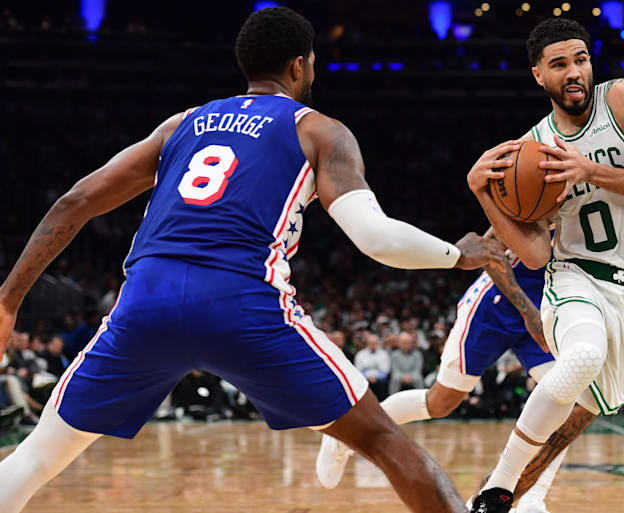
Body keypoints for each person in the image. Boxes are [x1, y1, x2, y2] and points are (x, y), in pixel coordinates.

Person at [0, 7, 506, 513]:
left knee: (38, 456)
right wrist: (458, 253)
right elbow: (375, 238)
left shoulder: (182, 124)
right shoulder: (319, 130)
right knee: (384, 443)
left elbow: (74, 203)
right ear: (299, 66)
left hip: (144, 303)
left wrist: (7, 301)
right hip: (241, 304)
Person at [466, 18, 624, 512]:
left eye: (580, 60)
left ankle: (495, 499)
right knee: (582, 357)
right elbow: (534, 253)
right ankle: (495, 491)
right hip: (577, 277)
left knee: (573, 422)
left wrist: (589, 170)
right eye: (559, 64)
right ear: (538, 75)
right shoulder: (532, 150)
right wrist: (482, 192)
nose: (573, 72)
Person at [317, 233, 562, 513]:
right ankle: (345, 434)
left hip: (543, 305)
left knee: (565, 400)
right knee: (440, 402)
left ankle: (532, 500)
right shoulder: (537, 197)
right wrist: (528, 312)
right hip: (495, 305)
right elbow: (489, 249)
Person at [353, 332, 391, 400]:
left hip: (379, 379)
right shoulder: (360, 354)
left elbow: (386, 370)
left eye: (375, 343)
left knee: (383, 383)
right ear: (367, 343)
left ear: (378, 343)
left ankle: (382, 404)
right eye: (371, 343)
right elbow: (358, 370)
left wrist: (376, 377)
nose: (373, 345)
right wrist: (368, 377)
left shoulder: (384, 354)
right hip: (364, 379)